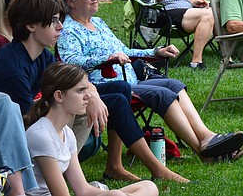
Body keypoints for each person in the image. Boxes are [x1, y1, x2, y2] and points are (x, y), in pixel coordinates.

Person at [0, 0, 189, 183]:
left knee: (119, 90)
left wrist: (91, 93)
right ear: (31, 26)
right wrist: (78, 103)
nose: (60, 27)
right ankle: (152, 169)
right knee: (83, 101)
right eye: (54, 21)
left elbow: (70, 78)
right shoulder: (13, 67)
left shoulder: (39, 55)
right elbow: (22, 123)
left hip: (25, 119)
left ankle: (119, 166)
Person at [58, 0, 243, 162]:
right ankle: (206, 153)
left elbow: (124, 51)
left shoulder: (98, 23)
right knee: (162, 93)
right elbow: (71, 62)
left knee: (173, 84)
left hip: (128, 80)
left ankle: (207, 136)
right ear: (70, 0)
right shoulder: (69, 30)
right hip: (106, 88)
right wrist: (106, 58)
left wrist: (156, 51)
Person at [24, 62, 158, 196]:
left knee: (149, 186)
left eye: (86, 89)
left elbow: (83, 190)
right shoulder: (41, 135)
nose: (88, 95)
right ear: (59, 96)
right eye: (80, 90)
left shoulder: (67, 132)